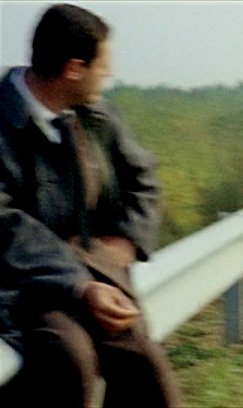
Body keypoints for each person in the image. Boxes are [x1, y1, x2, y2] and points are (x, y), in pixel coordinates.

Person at [0, 4, 180, 407]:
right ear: (74, 69)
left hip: (91, 276)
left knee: (143, 360)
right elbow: (6, 224)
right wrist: (79, 286)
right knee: (70, 357)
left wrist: (125, 243)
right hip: (20, 287)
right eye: (103, 66)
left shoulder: (95, 118)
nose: (109, 76)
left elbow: (143, 178)